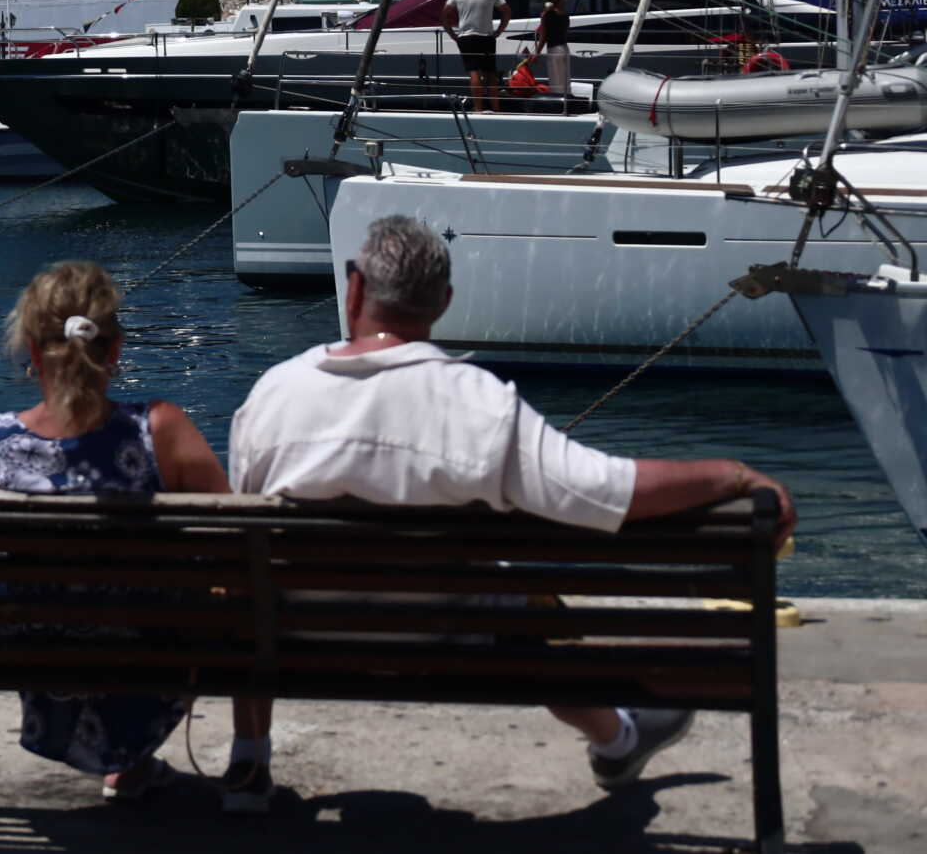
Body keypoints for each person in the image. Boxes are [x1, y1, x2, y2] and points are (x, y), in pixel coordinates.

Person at [230, 215, 797, 795]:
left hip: (299, 635)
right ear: (443, 302)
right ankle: (617, 738)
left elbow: (246, 537)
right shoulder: (476, 403)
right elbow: (604, 493)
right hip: (450, 641)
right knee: (529, 600)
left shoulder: (275, 393)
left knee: (250, 588)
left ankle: (248, 760)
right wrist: (729, 474)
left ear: (354, 288)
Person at [0, 263, 276, 813]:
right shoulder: (161, 431)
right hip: (156, 670)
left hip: (41, 670)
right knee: (242, 592)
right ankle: (247, 765)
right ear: (115, 349)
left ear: (32, 350)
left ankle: (131, 764)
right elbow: (241, 544)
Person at [440, 0, 512, 113]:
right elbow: (506, 11)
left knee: (474, 73)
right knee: (491, 74)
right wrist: (499, 30)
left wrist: (453, 35)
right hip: (487, 36)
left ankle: (478, 109)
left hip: (467, 37)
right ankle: (496, 109)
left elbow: (444, 15)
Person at [535, 0, 574, 114]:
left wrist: (537, 53)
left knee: (556, 80)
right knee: (565, 79)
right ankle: (567, 106)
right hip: (564, 48)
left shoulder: (546, 15)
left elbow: (543, 37)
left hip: (554, 49)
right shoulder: (564, 14)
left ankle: (558, 107)